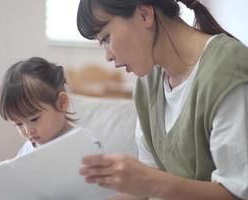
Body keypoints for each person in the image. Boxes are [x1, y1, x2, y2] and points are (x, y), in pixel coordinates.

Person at [76, 0, 248, 199]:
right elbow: (144, 190)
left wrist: (149, 181)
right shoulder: (148, 84)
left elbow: (237, 193)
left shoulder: (226, 69)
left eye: (106, 38)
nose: (107, 56)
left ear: (144, 15)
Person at [0, 57, 100, 156]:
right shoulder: (27, 149)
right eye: (18, 124)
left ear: (61, 103)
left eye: (34, 119)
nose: (28, 131)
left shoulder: (83, 144)